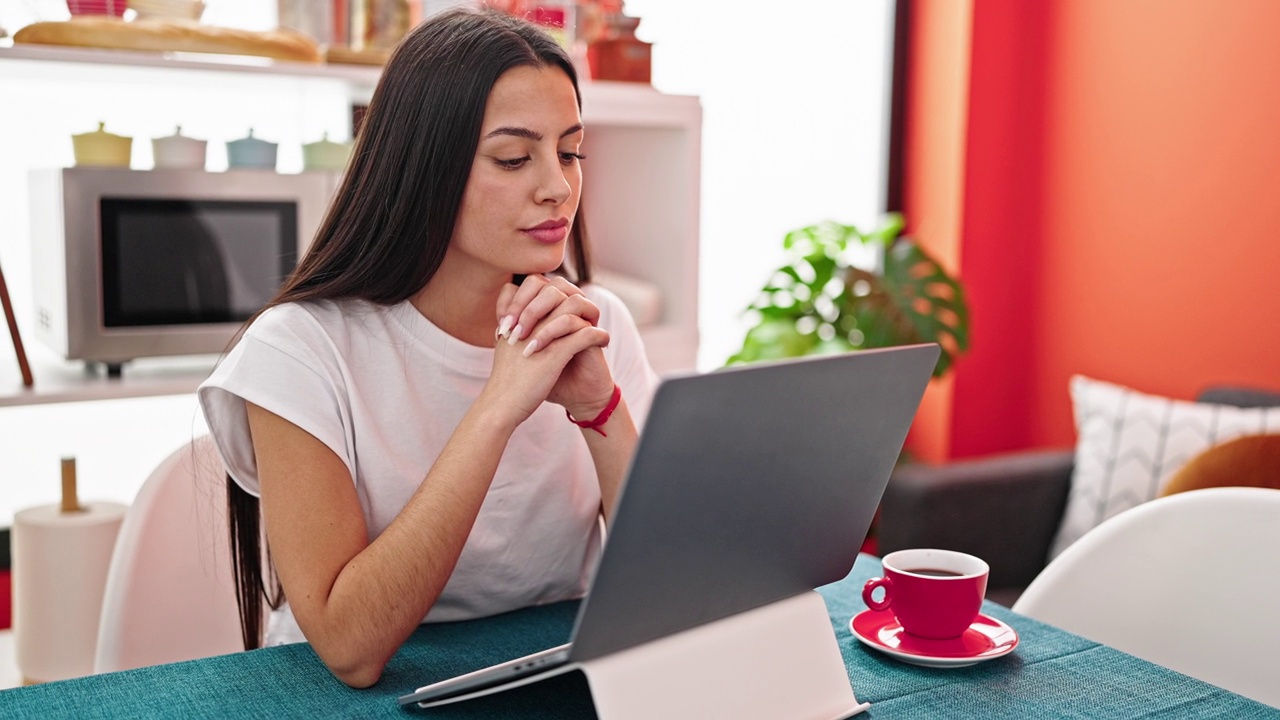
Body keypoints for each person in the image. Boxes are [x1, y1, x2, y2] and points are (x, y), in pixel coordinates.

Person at [197, 8, 659, 689]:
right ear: (423, 168)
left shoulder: (597, 322)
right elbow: (351, 649)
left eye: (570, 151)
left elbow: (668, 588)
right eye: (513, 157)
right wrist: (497, 406)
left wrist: (599, 409)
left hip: (545, 682)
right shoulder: (299, 350)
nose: (557, 186)